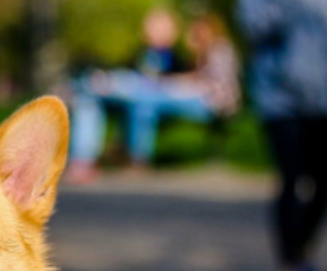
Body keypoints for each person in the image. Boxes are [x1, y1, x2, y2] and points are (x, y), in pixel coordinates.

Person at [238, 0, 327, 271]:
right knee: (290, 177)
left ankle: (301, 247)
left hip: (326, 100)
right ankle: (290, 263)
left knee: (322, 183)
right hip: (279, 101)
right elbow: (255, 26)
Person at [67, 12, 240, 183]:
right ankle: (89, 159)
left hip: (213, 103)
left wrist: (176, 81)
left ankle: (133, 156)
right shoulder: (144, 53)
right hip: (156, 95)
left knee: (143, 99)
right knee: (93, 99)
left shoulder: (216, 50)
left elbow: (210, 85)